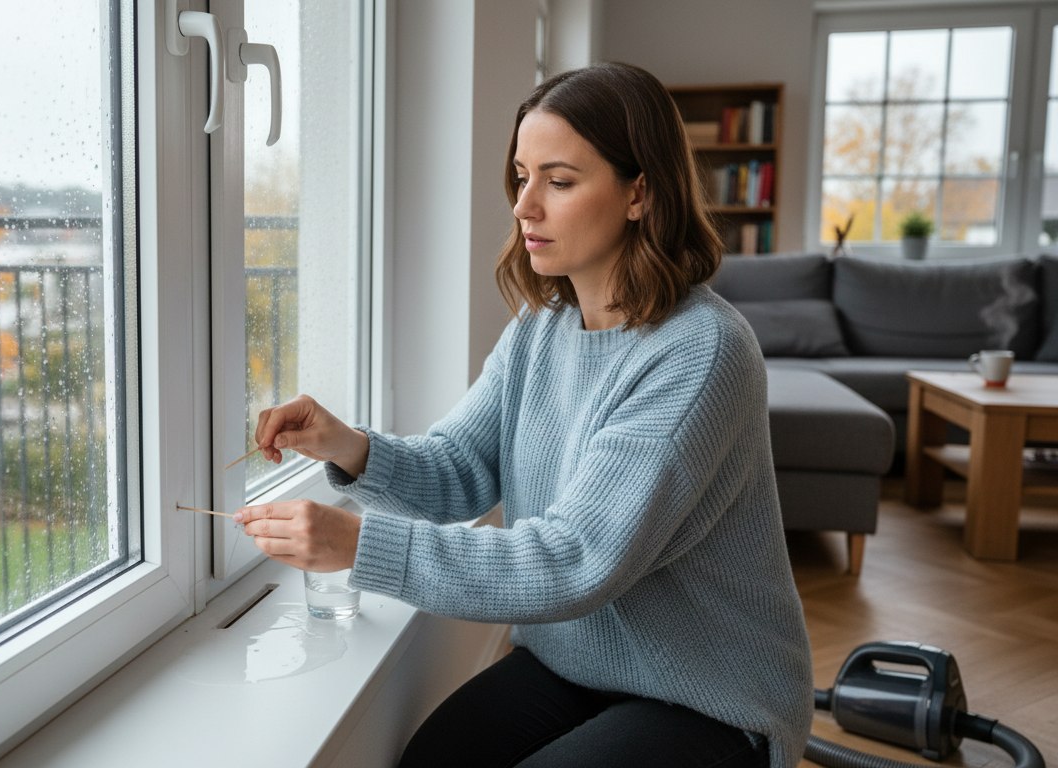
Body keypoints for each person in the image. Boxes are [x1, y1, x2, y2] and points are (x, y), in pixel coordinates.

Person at [231, 62, 813, 768]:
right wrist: (345, 444)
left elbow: (575, 559)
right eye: (522, 175)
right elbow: (458, 470)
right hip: (575, 663)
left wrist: (359, 546)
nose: (524, 206)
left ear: (640, 192)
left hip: (708, 696)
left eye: (559, 181)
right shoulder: (542, 328)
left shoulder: (702, 352)